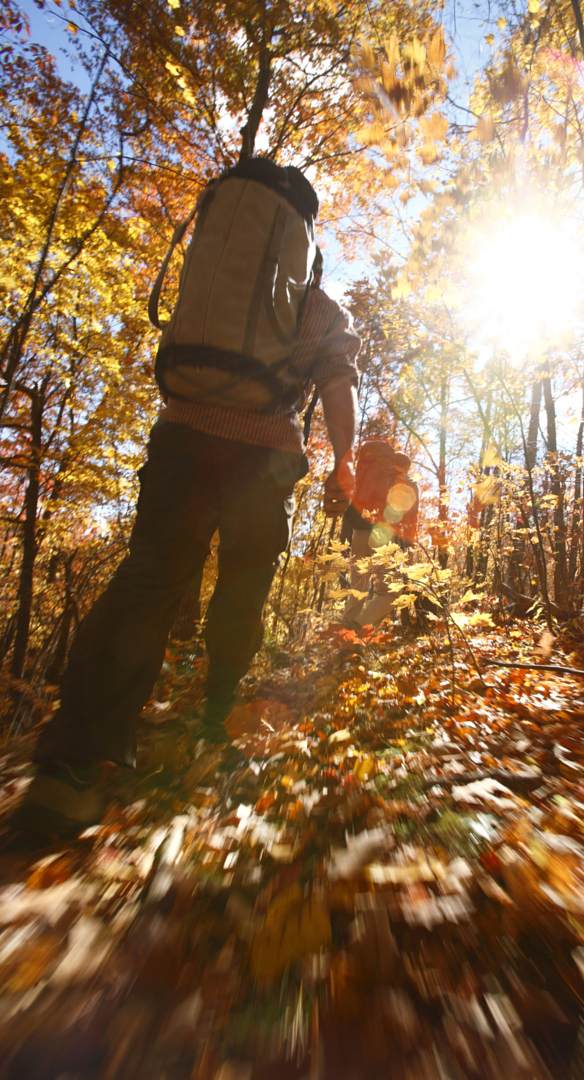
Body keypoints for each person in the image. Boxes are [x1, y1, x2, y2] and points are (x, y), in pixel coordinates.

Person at [14, 173, 360, 836]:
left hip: (180, 442)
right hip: (263, 458)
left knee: (148, 583)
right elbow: (337, 382)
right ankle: (212, 723)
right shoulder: (311, 303)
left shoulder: (208, 284)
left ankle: (70, 771)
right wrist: (342, 462)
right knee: (242, 591)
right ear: (305, 234)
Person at [342, 447, 419, 630]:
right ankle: (358, 630)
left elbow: (351, 507)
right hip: (384, 535)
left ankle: (342, 636)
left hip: (359, 533)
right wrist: (406, 545)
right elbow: (411, 516)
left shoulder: (372, 477)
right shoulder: (407, 481)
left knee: (357, 588)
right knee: (390, 594)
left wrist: (345, 539)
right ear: (406, 466)